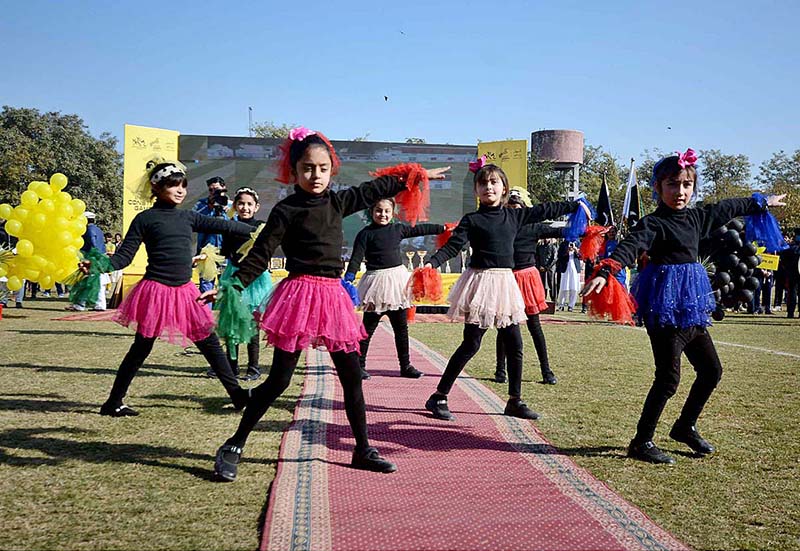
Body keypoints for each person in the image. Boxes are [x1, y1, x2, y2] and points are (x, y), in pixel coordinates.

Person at [205, 127, 450, 481]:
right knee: (278, 381)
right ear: (294, 170)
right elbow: (260, 255)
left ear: (331, 169)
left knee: (351, 376)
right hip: (299, 297)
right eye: (307, 168)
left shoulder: (339, 201)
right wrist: (231, 286)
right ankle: (234, 444)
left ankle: (362, 449)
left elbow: (376, 189)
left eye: (322, 168)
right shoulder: (285, 210)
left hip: (332, 297)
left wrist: (417, 175)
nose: (315, 175)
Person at [581, 149, 787, 464]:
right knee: (668, 378)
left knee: (711, 370)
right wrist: (608, 269)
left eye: (686, 185)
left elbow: (728, 207)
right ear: (658, 188)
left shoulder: (697, 217)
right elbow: (631, 245)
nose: (680, 192)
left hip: (690, 307)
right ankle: (642, 441)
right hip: (663, 308)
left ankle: (685, 426)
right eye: (673, 185)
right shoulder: (654, 223)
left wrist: (761, 201)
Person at [81, 162, 254, 417]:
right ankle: (113, 402)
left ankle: (237, 395)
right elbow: (124, 257)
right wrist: (99, 265)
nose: (180, 190)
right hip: (156, 291)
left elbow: (226, 226)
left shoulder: (188, 216)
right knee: (141, 348)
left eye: (183, 185)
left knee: (209, 343)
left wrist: (262, 230)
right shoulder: (145, 219)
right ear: (157, 187)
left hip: (184, 291)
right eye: (174, 185)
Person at [422, 159, 588, 422]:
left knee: (515, 343)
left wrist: (574, 204)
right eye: (483, 183)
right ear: (477, 191)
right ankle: (439, 396)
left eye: (494, 182)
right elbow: (454, 247)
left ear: (503, 189)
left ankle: (515, 400)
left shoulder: (515, 215)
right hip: (481, 283)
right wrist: (432, 262)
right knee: (471, 344)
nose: (488, 187)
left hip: (504, 284)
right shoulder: (472, 220)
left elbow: (545, 209)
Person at [344, 197, 445, 379]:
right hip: (375, 286)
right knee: (367, 328)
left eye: (386, 211)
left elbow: (420, 229)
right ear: (371, 212)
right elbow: (356, 258)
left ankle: (405, 366)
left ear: (392, 213)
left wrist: (443, 228)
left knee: (401, 328)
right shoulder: (365, 234)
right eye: (378, 211)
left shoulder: (397, 229)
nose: (382, 214)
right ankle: (358, 365)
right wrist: (349, 277)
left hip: (396, 285)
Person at [494, 187, 562, 385]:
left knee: (534, 326)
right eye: (510, 206)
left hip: (527, 277)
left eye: (517, 206)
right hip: (507, 278)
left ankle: (546, 371)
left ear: (523, 208)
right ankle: (500, 370)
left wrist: (588, 231)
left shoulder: (534, 227)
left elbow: (559, 232)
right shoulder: (501, 226)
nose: (513, 209)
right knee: (504, 326)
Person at [217, 187, 271, 381]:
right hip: (234, 275)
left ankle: (253, 367)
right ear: (235, 205)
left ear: (256, 207)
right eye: (241, 203)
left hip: (256, 279)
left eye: (249, 204)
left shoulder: (261, 226)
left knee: (252, 324)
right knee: (232, 323)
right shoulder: (230, 226)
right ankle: (230, 367)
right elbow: (225, 252)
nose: (245, 207)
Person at [193, 176, 232, 296]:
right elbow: (193, 219)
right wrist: (209, 207)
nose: (214, 193)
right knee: (206, 284)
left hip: (227, 250)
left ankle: (225, 312)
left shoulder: (232, 205)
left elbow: (238, 224)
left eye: (218, 190)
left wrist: (228, 211)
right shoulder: (201, 204)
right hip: (207, 249)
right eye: (211, 190)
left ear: (224, 188)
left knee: (226, 285)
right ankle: (206, 313)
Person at [556, 240, 581, 311]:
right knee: (564, 287)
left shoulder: (578, 243)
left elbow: (581, 256)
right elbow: (559, 255)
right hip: (565, 268)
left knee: (574, 288)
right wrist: (567, 251)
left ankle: (571, 305)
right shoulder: (563, 244)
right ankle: (561, 305)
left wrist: (576, 250)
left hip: (575, 268)